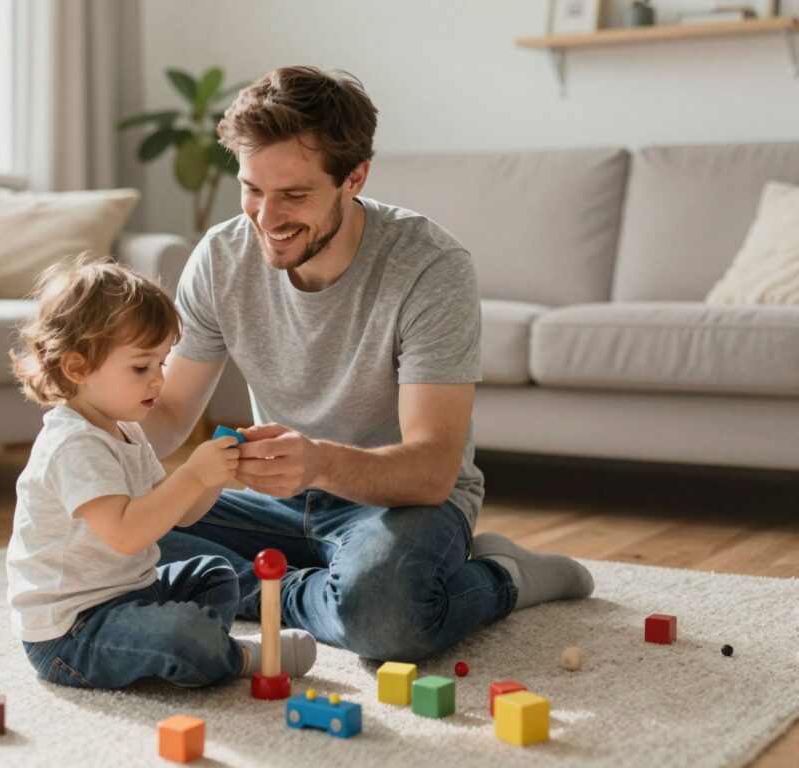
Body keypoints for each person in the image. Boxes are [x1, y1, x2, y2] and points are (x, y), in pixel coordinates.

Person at [143, 66, 594, 662]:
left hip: (402, 506)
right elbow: (172, 411)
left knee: (384, 620)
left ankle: (505, 575)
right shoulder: (222, 256)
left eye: (295, 195)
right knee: (108, 535)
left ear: (354, 177)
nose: (267, 219)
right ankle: (320, 594)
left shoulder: (430, 267)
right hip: (273, 502)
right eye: (253, 189)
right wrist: (79, 444)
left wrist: (318, 461)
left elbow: (434, 468)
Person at [5, 253, 317, 688]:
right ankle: (236, 655)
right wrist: (192, 473)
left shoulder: (126, 431)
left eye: (161, 363)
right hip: (70, 632)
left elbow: (183, 515)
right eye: (140, 367)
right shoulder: (72, 444)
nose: (157, 381)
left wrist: (220, 469)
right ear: (77, 367)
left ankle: (194, 649)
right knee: (183, 636)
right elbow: (127, 533)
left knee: (215, 574)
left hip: (131, 592)